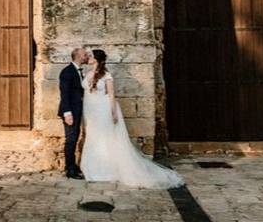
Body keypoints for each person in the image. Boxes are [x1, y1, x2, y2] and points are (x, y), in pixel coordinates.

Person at [79, 49, 185, 189]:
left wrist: (114, 112)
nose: (88, 57)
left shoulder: (107, 76)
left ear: (97, 59)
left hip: (103, 110)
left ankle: (106, 170)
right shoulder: (88, 73)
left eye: (91, 56)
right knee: (93, 137)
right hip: (91, 112)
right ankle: (93, 167)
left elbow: (111, 95)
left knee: (106, 138)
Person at [57, 46, 90, 179]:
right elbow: (64, 94)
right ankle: (69, 169)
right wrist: (67, 113)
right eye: (84, 55)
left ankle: (73, 165)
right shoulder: (67, 72)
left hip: (77, 110)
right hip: (70, 111)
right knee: (71, 140)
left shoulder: (78, 71)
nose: (86, 56)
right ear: (77, 56)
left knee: (74, 138)